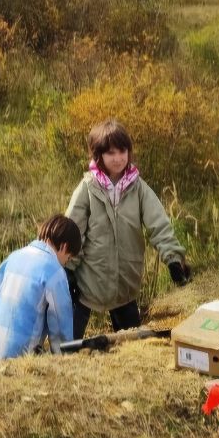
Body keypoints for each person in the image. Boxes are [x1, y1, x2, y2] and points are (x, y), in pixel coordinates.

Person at [65, 119, 190, 340]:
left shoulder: (138, 187)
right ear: (98, 155)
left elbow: (158, 224)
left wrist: (172, 258)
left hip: (125, 283)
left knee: (134, 344)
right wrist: (67, 272)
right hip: (89, 282)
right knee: (67, 344)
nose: (118, 158)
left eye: (122, 151)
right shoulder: (87, 188)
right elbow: (72, 232)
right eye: (110, 153)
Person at [0, 215, 80, 363]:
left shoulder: (14, 257)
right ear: (65, 246)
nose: (66, 263)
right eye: (69, 258)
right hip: (18, 358)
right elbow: (60, 326)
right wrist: (67, 359)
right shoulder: (54, 271)